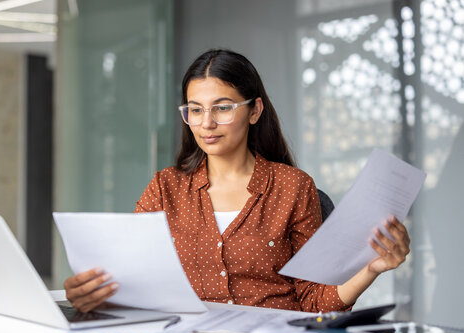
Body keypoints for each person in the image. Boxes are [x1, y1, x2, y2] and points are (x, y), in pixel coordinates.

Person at [63, 49, 411, 313]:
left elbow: (314, 301)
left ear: (255, 110)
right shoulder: (165, 188)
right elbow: (130, 276)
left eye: (223, 107)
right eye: (195, 109)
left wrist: (373, 268)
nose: (206, 123)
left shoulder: (293, 187)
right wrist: (90, 291)